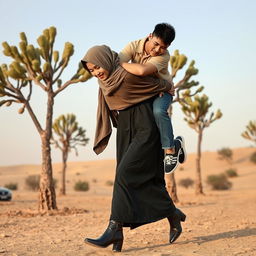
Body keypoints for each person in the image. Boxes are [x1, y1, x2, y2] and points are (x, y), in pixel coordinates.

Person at [81, 45, 186, 252]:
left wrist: (167, 85)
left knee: (124, 173)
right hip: (125, 128)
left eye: (97, 67)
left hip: (145, 126)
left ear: (106, 59)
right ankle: (171, 214)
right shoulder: (105, 83)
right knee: (142, 178)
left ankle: (114, 229)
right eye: (92, 70)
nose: (96, 72)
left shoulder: (127, 75)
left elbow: (158, 84)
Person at [119, 23, 187, 173]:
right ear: (150, 36)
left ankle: (170, 151)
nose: (157, 50)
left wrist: (121, 64)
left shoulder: (164, 56)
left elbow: (142, 71)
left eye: (162, 47)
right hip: (146, 91)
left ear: (168, 47)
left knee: (158, 111)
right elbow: (118, 61)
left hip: (164, 90)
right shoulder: (133, 45)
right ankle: (176, 144)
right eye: (155, 44)